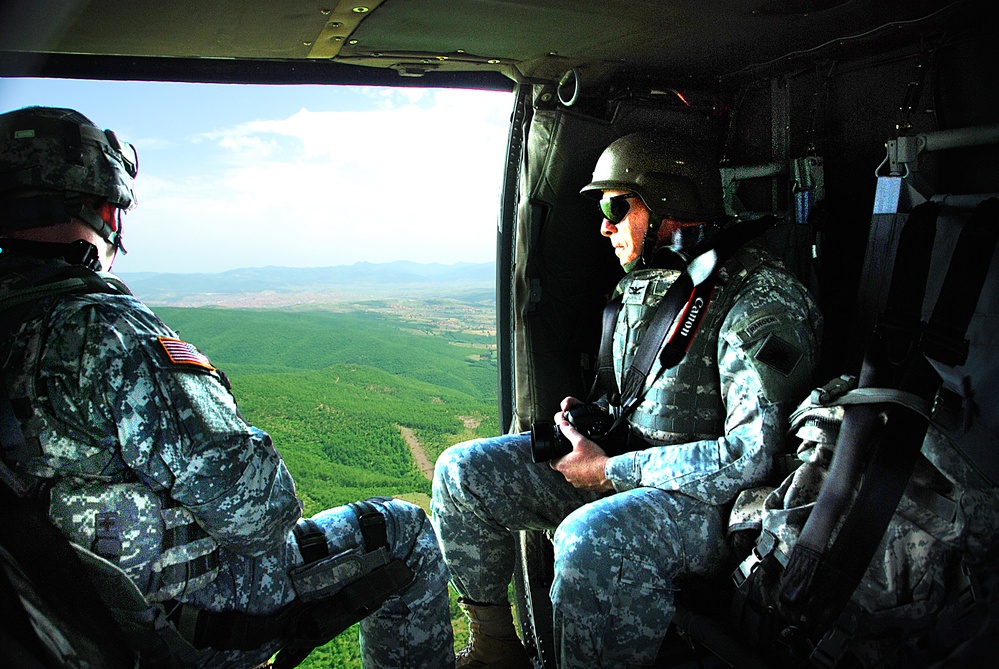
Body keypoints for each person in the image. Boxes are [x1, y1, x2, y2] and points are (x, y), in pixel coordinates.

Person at [0, 106, 453, 669]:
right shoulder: (108, 334)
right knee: (401, 529)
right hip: (173, 627)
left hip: (67, 622)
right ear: (106, 211)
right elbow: (264, 511)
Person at [432, 130, 823, 668]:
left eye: (617, 206)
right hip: (630, 470)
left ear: (670, 204)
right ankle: (495, 646)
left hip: (717, 507)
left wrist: (612, 469)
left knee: (589, 540)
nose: (604, 226)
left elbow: (754, 457)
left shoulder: (759, 300)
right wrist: (594, 423)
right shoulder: (644, 284)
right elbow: (641, 400)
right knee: (461, 472)